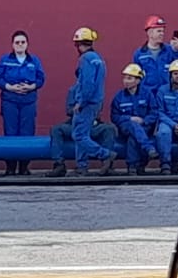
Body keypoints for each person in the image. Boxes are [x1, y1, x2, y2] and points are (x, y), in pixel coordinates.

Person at [0, 30, 47, 173]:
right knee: (10, 133)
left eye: (23, 42)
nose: (20, 45)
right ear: (12, 44)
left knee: (27, 133)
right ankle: (10, 167)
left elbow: (41, 78)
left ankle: (24, 167)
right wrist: (9, 87)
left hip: (28, 102)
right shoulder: (5, 60)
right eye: (17, 42)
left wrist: (32, 86)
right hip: (9, 101)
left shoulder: (34, 61)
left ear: (27, 44)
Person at [65, 27, 115, 175]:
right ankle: (81, 166)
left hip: (86, 103)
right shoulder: (98, 58)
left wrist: (80, 102)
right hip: (95, 102)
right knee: (83, 134)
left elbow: (87, 83)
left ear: (78, 44)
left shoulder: (85, 59)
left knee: (79, 135)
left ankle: (105, 155)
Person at [49, 86, 119, 175]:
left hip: (93, 124)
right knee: (56, 129)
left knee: (109, 129)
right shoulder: (73, 90)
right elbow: (69, 110)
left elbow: (98, 109)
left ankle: (107, 165)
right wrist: (82, 111)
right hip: (76, 124)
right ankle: (60, 164)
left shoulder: (97, 91)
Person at [110, 62, 162, 174]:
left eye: (129, 78)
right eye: (125, 78)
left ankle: (133, 166)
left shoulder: (147, 94)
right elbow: (114, 116)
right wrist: (129, 118)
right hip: (125, 127)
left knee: (133, 137)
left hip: (144, 126)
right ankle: (148, 149)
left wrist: (144, 120)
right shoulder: (119, 96)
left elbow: (154, 112)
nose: (125, 81)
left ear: (138, 80)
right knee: (133, 125)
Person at [132, 15, 178, 97]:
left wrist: (176, 51)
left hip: (167, 95)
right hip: (148, 96)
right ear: (150, 33)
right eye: (159, 31)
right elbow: (135, 77)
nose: (162, 34)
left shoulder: (170, 50)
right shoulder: (139, 54)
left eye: (163, 31)